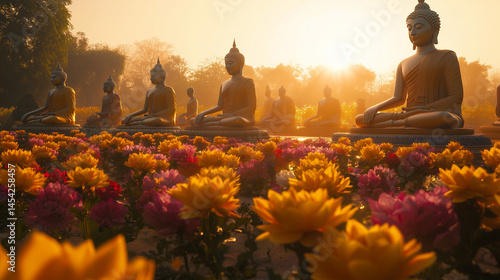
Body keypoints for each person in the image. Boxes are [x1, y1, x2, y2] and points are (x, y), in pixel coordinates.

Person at [355, 0, 463, 129]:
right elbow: (398, 98)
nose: (413, 33)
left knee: (444, 117)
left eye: (418, 27)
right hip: (409, 115)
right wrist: (376, 107)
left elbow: (456, 97)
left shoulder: (447, 56)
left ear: (434, 30)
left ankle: (397, 123)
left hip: (435, 114)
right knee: (360, 119)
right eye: (409, 28)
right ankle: (402, 121)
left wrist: (426, 108)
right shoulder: (403, 63)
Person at [192, 40, 256, 127]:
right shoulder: (224, 84)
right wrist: (203, 113)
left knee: (237, 120)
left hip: (241, 117)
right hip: (224, 118)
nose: (227, 66)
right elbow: (219, 106)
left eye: (230, 63)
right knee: (194, 120)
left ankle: (214, 123)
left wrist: (233, 114)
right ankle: (217, 122)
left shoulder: (248, 82)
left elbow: (251, 107)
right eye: (226, 64)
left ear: (241, 63)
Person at [122, 59, 176, 126]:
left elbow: (171, 109)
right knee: (125, 120)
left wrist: (155, 115)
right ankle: (139, 123)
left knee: (156, 120)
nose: (151, 79)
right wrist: (130, 115)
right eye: (151, 76)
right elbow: (145, 109)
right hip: (149, 118)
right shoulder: (149, 91)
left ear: (161, 77)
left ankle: (138, 123)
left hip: (164, 118)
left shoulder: (168, 90)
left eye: (153, 76)